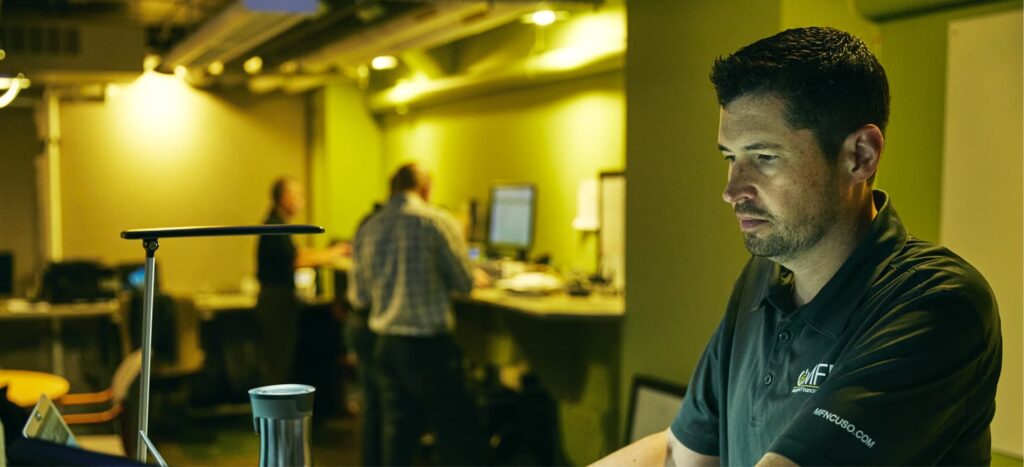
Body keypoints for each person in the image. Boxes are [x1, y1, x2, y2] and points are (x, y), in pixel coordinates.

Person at [595, 27, 1001, 466]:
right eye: (731, 158)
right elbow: (679, 455)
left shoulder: (936, 304)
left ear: (860, 156)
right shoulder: (760, 279)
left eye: (764, 158)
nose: (732, 191)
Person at [349, 163, 486, 466]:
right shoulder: (436, 222)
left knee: (397, 436)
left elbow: (359, 296)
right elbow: (464, 282)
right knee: (454, 431)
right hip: (428, 349)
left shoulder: (368, 226)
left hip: (385, 345)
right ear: (425, 188)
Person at [255, 176, 344, 386]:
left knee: (280, 357)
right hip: (276, 299)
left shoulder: (278, 224)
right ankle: (272, 413)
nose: (301, 200)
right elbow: (295, 259)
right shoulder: (274, 226)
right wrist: (332, 254)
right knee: (278, 358)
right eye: (298, 195)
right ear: (285, 198)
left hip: (277, 298)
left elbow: (298, 252)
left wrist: (328, 253)